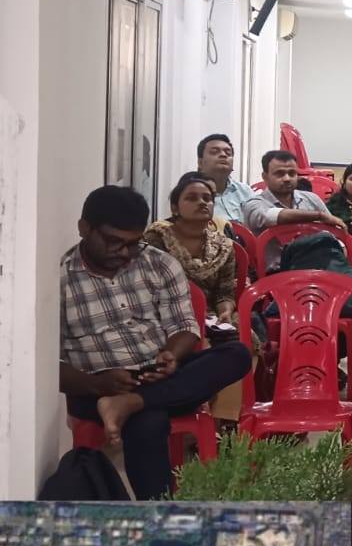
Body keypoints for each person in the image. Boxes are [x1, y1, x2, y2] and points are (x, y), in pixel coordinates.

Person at [59, 186, 252, 498]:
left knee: (237, 353)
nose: (124, 253)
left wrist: (172, 354)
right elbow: (46, 367)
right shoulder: (59, 279)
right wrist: (97, 385)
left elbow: (185, 326)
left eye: (133, 244)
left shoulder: (158, 263)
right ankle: (159, 510)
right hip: (96, 386)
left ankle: (131, 403)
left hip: (159, 375)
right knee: (148, 421)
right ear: (84, 228)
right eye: (113, 241)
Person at [143, 172, 239, 325]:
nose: (202, 203)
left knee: (241, 334)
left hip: (210, 317)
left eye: (207, 199)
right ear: (175, 208)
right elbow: (148, 288)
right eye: (192, 198)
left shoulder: (223, 247)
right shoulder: (158, 239)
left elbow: (224, 294)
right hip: (165, 314)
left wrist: (225, 311)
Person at [243, 150, 342, 270]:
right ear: (265, 177)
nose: (287, 178)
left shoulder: (312, 199)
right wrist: (318, 216)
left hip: (317, 269)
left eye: (292, 173)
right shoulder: (254, 204)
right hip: (275, 274)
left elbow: (334, 234)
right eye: (279, 174)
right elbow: (271, 216)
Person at [196, 133, 254, 225]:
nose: (223, 155)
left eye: (228, 153)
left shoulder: (245, 191)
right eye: (214, 152)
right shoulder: (191, 193)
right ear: (200, 162)